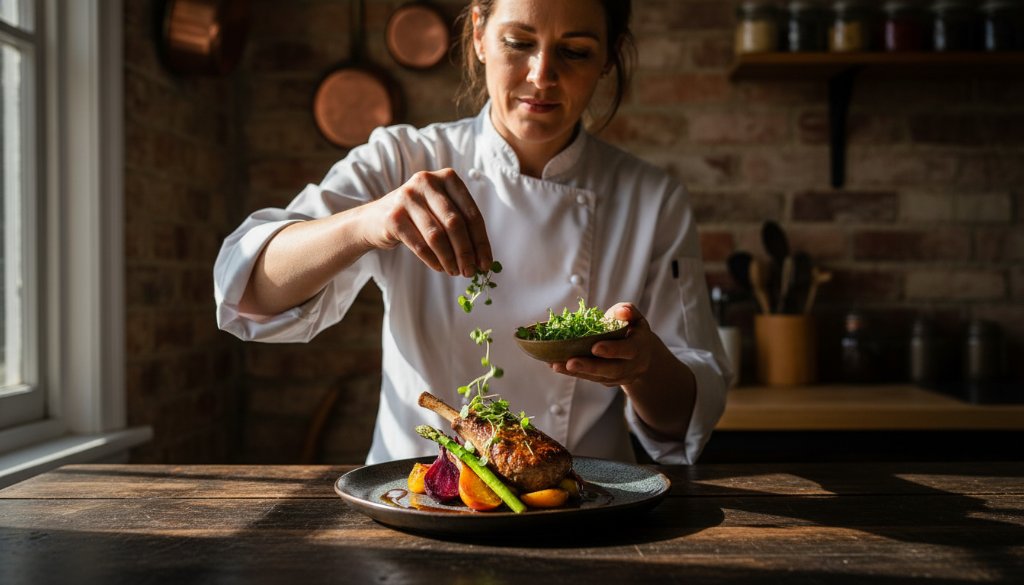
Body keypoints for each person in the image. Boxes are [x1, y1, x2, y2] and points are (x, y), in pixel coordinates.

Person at [214, 0, 731, 465]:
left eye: (574, 51)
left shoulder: (651, 199)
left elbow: (683, 422)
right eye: (519, 43)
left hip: (584, 505)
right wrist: (367, 222)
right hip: (414, 500)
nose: (542, 74)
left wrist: (641, 367)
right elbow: (248, 289)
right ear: (480, 34)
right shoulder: (402, 159)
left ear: (608, 60)